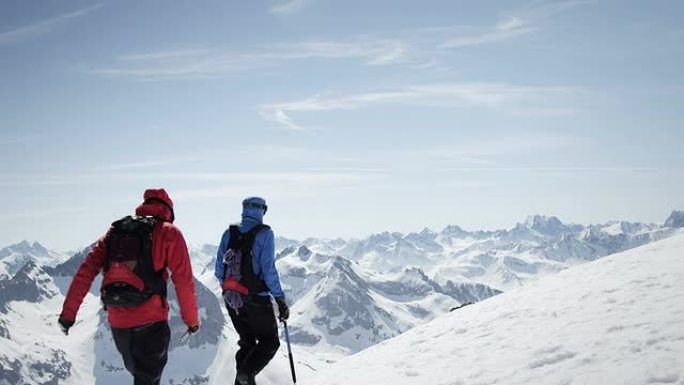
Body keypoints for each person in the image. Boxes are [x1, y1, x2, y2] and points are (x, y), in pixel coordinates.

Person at [58, 188, 200, 385]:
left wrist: (68, 315)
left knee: (141, 377)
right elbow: (184, 281)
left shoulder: (115, 232)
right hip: (152, 326)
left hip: (118, 326)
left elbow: (86, 271)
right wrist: (192, 321)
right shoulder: (169, 232)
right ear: (168, 210)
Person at [215, 197, 289, 385]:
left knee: (247, 343)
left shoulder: (229, 233)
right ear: (262, 211)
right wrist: (279, 298)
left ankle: (243, 379)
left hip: (232, 300)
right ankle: (246, 375)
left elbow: (218, 270)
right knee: (270, 342)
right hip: (256, 300)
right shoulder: (265, 234)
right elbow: (268, 269)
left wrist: (233, 291)